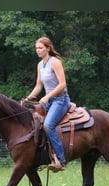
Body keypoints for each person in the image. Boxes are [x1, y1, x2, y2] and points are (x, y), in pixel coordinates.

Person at [25, 36, 71, 172]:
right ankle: (42, 157)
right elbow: (39, 85)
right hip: (49, 100)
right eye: (36, 48)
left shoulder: (55, 62)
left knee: (48, 125)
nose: (37, 51)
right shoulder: (40, 65)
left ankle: (61, 160)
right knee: (33, 122)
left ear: (48, 48)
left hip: (60, 100)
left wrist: (47, 96)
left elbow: (63, 84)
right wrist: (28, 98)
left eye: (40, 48)